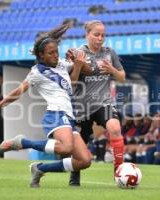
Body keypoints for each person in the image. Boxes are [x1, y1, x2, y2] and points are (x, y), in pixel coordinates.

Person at [0, 21, 91, 188]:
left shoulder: (61, 64)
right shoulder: (36, 72)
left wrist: (78, 63)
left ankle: (39, 168)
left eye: (56, 51)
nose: (55, 55)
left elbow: (75, 82)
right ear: (41, 56)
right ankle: (24, 142)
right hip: (55, 115)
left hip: (69, 117)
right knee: (66, 148)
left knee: (84, 160)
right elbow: (16, 93)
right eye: (51, 53)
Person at [67, 20, 126, 186]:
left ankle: (119, 172)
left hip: (103, 103)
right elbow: (72, 83)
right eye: (96, 34)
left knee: (115, 128)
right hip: (82, 106)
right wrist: (77, 66)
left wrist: (112, 70)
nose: (100, 38)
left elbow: (122, 77)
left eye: (103, 35)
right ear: (87, 35)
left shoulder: (109, 53)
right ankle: (74, 176)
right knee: (81, 145)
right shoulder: (78, 53)